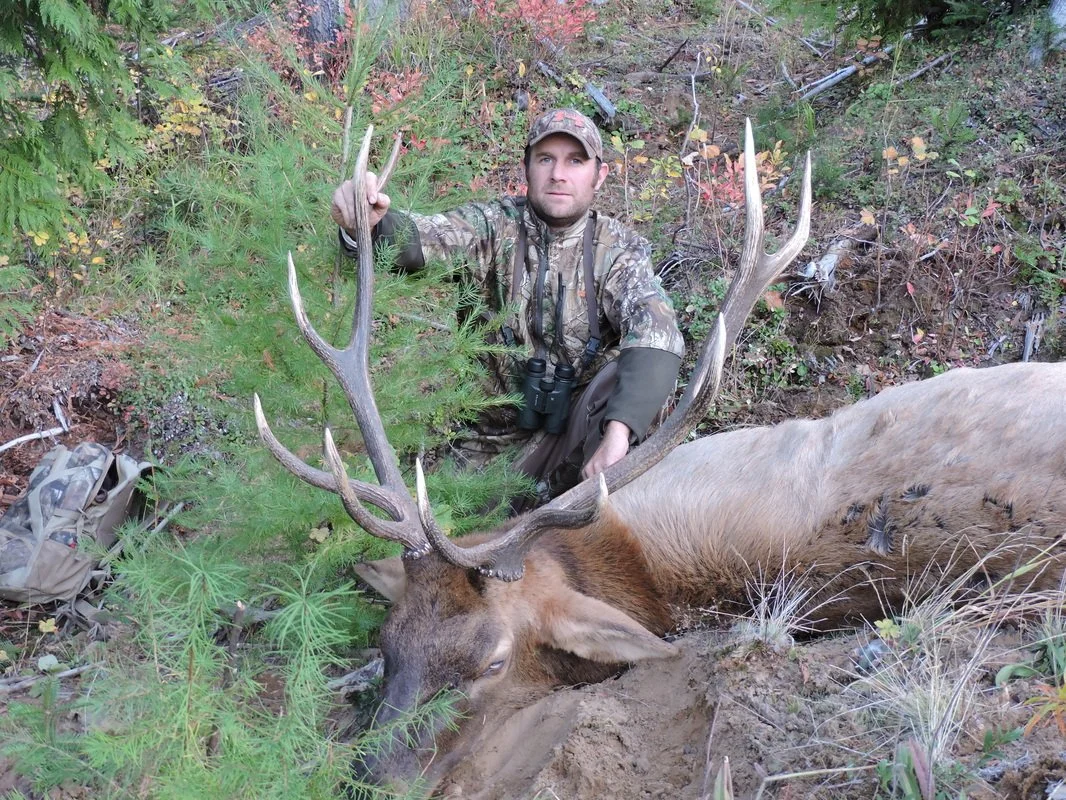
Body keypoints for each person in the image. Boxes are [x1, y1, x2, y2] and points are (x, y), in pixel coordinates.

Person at [331, 108, 684, 503]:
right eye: (546, 159)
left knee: (626, 375)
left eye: (576, 161)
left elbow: (659, 331)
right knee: (435, 533)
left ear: (599, 175)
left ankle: (592, 501)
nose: (558, 175)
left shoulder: (619, 250)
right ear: (527, 167)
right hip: (487, 444)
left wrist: (619, 433)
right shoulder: (491, 227)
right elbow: (421, 239)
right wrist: (370, 221)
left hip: (577, 441)